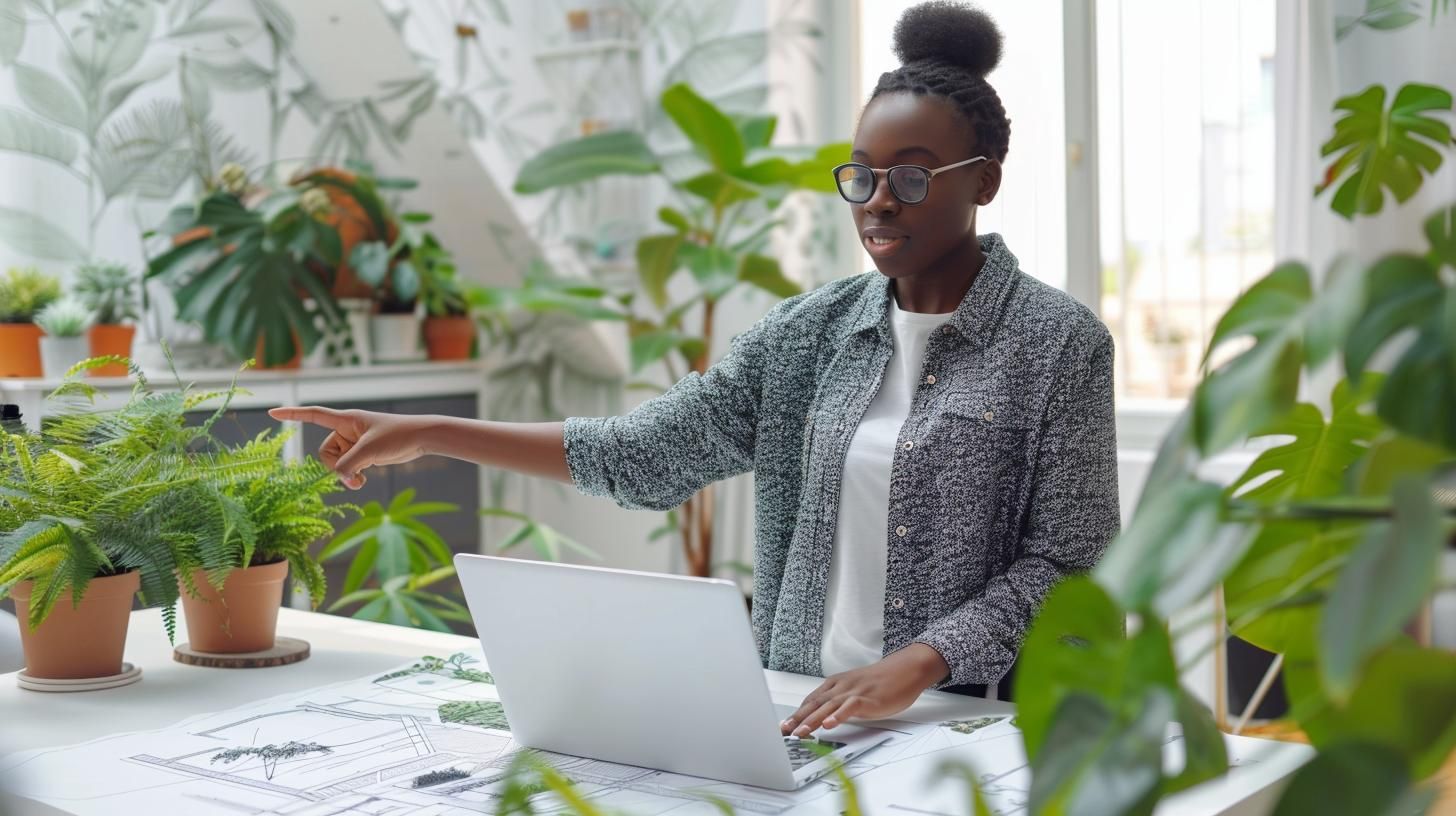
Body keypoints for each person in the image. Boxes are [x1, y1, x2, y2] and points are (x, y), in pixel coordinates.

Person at [272, 1, 1117, 740]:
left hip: (960, 723)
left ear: (985, 182)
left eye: (911, 175)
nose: (878, 200)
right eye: (861, 175)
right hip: (795, 712)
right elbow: (643, 454)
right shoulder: (805, 336)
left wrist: (923, 662)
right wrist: (429, 431)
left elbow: (1068, 564)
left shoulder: (1057, 343)